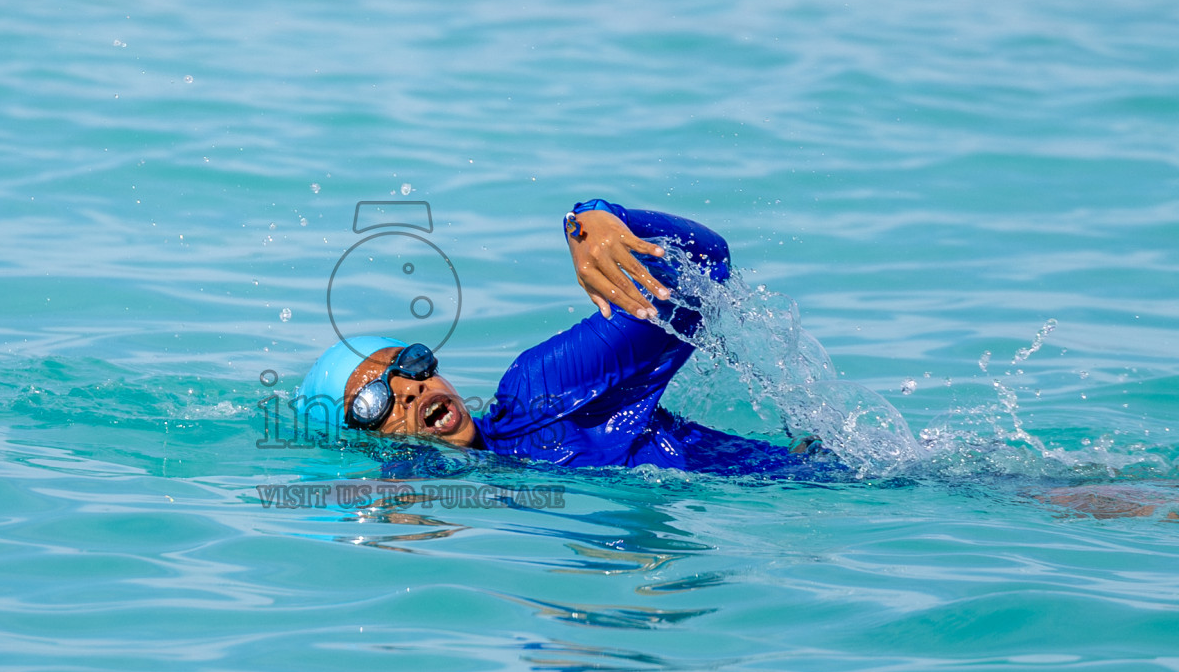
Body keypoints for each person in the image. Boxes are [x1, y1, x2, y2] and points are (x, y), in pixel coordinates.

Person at [296, 198, 826, 476]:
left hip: (826, 489)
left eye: (412, 363)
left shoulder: (538, 396)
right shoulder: (472, 494)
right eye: (373, 400)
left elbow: (708, 267)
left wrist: (598, 219)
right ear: (357, 441)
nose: (411, 388)